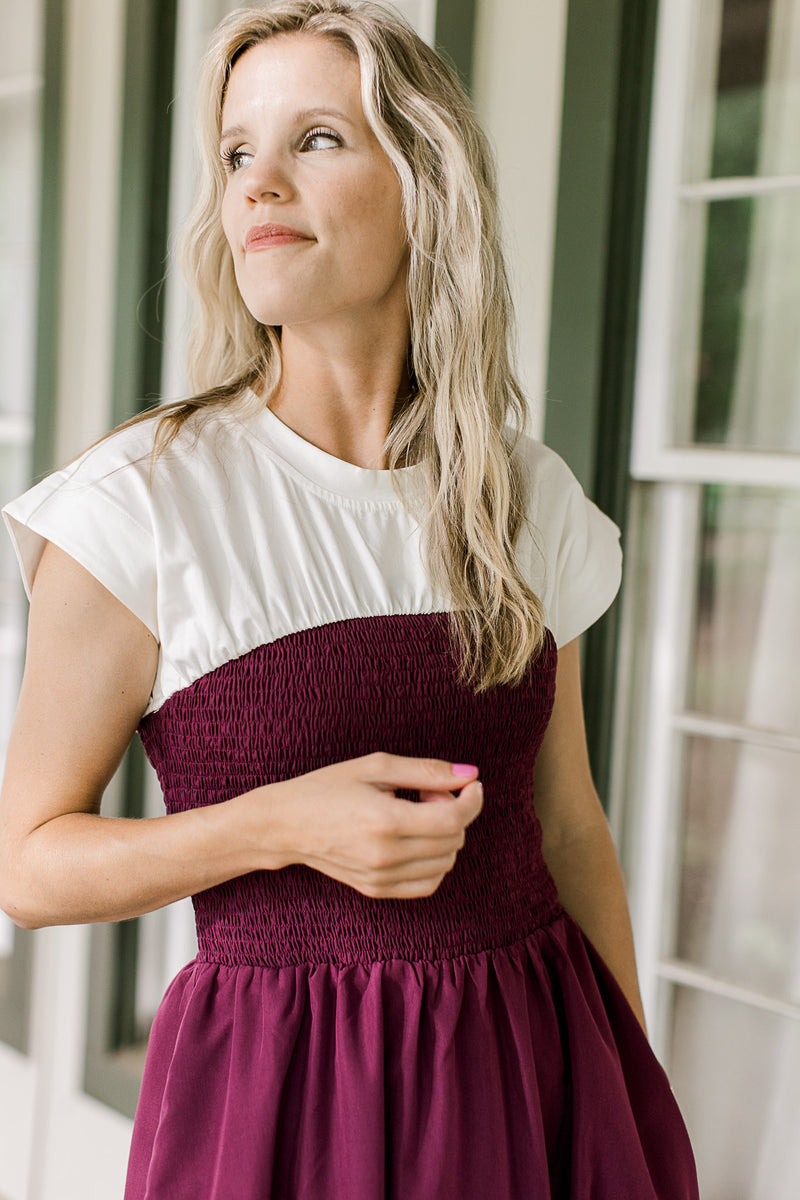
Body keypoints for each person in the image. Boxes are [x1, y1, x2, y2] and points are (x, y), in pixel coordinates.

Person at [0, 2, 700, 1196]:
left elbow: (567, 824)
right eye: (235, 152)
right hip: (280, 1098)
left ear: (421, 185)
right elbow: (27, 861)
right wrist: (277, 824)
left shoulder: (521, 497)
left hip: (532, 1071)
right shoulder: (141, 506)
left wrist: (627, 1097)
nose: (258, 183)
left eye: (315, 139)